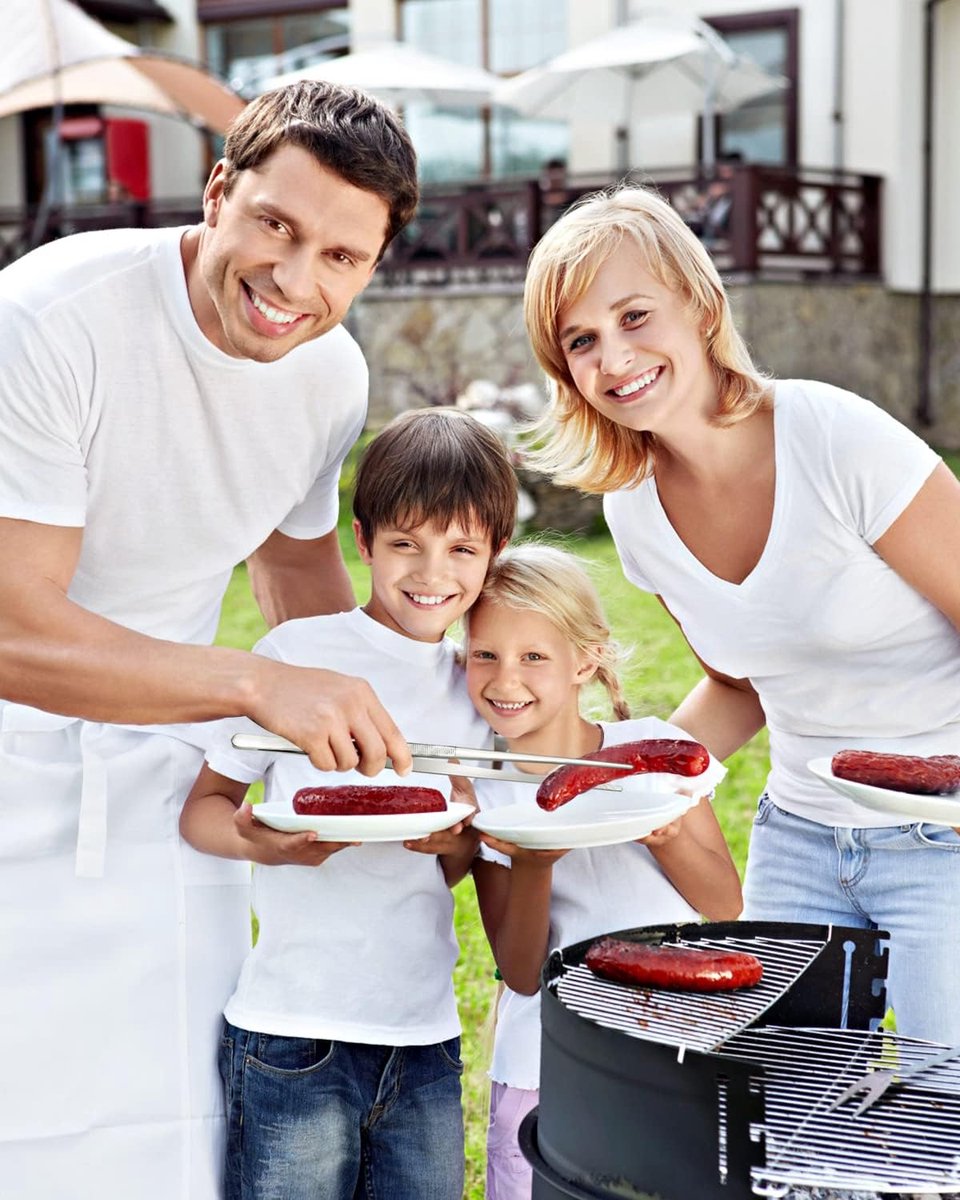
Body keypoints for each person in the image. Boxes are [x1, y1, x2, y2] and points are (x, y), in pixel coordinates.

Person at [0, 82, 420, 1198]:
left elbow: (294, 575)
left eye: (341, 256)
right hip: (10, 763)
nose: (296, 282)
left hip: (166, 783)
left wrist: (392, 739)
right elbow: (9, 625)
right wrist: (253, 690)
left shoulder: (329, 375)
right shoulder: (52, 317)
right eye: (276, 226)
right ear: (220, 189)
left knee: (175, 1130)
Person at [520, 183, 960, 1044]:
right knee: (791, 1103)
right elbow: (740, 683)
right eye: (583, 341)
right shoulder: (635, 510)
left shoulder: (835, 438)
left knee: (944, 1098)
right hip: (800, 840)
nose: (615, 359)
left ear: (700, 303)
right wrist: (621, 778)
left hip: (941, 837)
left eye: (635, 316)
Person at [178, 406, 517, 1200]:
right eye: (405, 544)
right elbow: (204, 809)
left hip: (424, 1037)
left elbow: (463, 864)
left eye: (461, 549)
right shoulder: (297, 657)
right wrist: (263, 844)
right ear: (362, 542)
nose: (432, 573)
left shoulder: (478, 691)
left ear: (493, 555)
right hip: (293, 1033)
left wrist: (459, 845)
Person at [465, 543, 741, 1198]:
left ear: (584, 659)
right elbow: (522, 971)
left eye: (534, 656)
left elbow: (724, 902)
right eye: (485, 655)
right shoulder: (481, 787)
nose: (507, 680)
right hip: (544, 1060)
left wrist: (667, 836)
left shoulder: (659, 756)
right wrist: (532, 864)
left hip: (669, 1045)